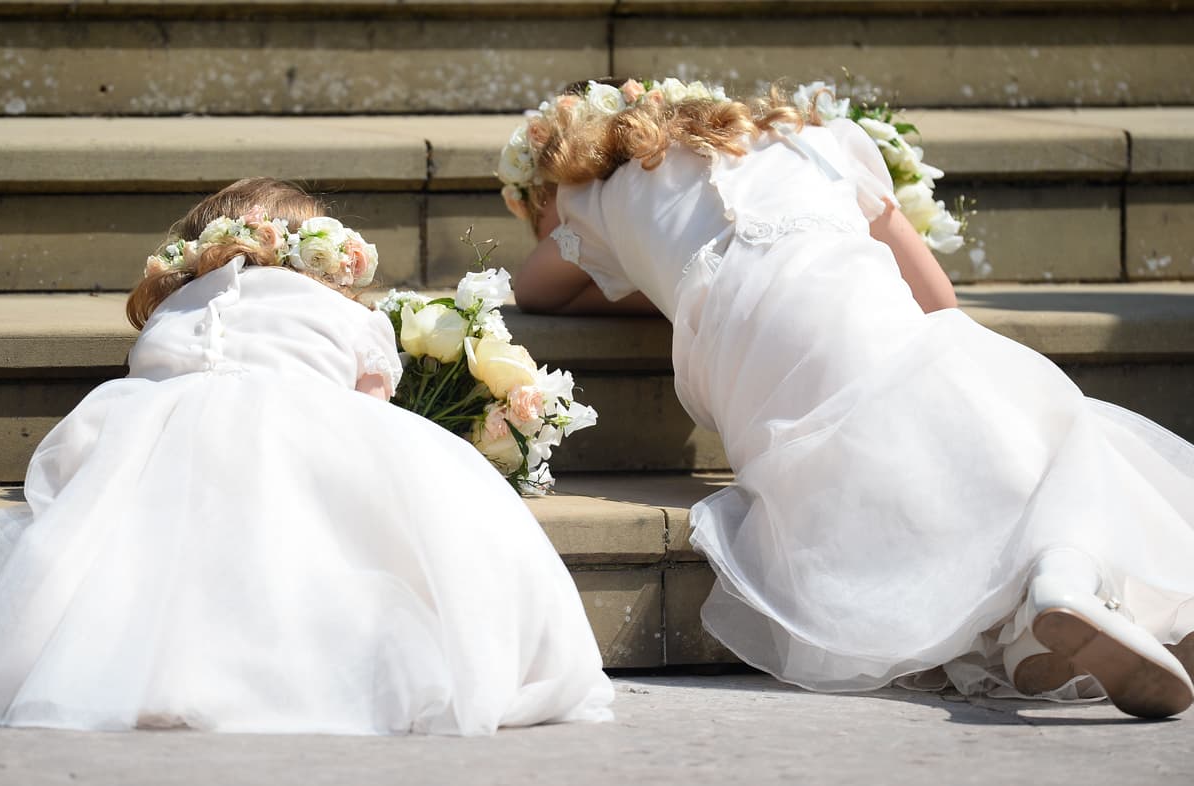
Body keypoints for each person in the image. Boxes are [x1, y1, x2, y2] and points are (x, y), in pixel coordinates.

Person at [508, 79, 1194, 718]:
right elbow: (938, 299)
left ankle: (1030, 626)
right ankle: (1062, 579)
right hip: (862, 310)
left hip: (759, 378)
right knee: (1043, 427)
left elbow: (536, 289)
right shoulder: (819, 138)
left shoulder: (595, 198)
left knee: (910, 472)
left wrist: (665, 286)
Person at [0, 178, 613, 734]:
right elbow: (372, 407)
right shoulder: (353, 317)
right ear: (327, 258)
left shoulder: (174, 312)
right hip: (302, 448)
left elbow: (138, 387)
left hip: (163, 442)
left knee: (143, 556)